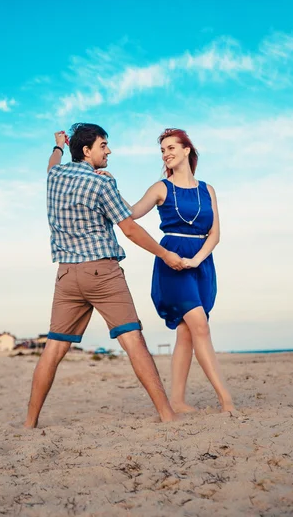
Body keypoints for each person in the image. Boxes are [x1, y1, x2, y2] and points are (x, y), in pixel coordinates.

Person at [24, 123, 184, 429]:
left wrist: (58, 144)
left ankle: (30, 423)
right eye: (103, 145)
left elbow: (52, 163)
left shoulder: (55, 177)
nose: (108, 150)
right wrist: (165, 254)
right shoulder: (101, 184)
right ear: (86, 151)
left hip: (67, 275)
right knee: (133, 341)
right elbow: (130, 229)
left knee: (54, 348)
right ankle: (167, 414)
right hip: (102, 273)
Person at [126, 128, 234, 414]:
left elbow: (215, 234)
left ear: (187, 149)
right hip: (172, 261)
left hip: (201, 263)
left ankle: (178, 400)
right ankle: (227, 401)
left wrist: (198, 260)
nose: (167, 153)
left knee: (187, 332)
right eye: (163, 150)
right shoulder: (161, 187)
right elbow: (133, 212)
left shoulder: (207, 189)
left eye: (172, 147)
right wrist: (109, 187)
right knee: (200, 325)